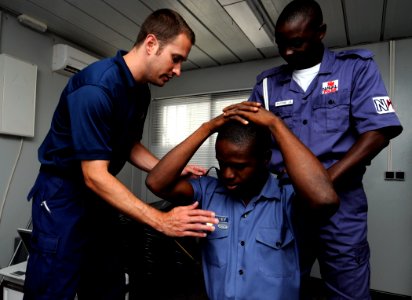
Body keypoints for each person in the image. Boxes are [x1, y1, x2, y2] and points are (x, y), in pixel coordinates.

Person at [24, 9, 218, 300]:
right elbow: (94, 175)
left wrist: (168, 168)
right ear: (151, 44)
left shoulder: (141, 91)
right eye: (176, 58)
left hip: (99, 196)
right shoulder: (96, 87)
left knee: (107, 284)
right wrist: (161, 220)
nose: (178, 70)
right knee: (53, 289)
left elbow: (127, 144)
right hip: (63, 195)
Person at [242, 0, 403, 298]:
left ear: (320, 33)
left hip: (342, 200)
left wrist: (325, 182)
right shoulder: (266, 85)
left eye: (296, 43)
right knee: (280, 285)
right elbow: (250, 143)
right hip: (286, 203)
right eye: (281, 44)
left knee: (348, 290)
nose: (287, 52)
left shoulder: (356, 69)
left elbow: (379, 131)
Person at [146, 104, 339, 300]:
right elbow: (156, 182)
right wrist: (207, 128)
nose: (228, 174)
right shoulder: (207, 192)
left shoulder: (287, 198)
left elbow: (324, 199)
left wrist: (275, 124)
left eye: (239, 166)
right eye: (222, 163)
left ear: (265, 159)